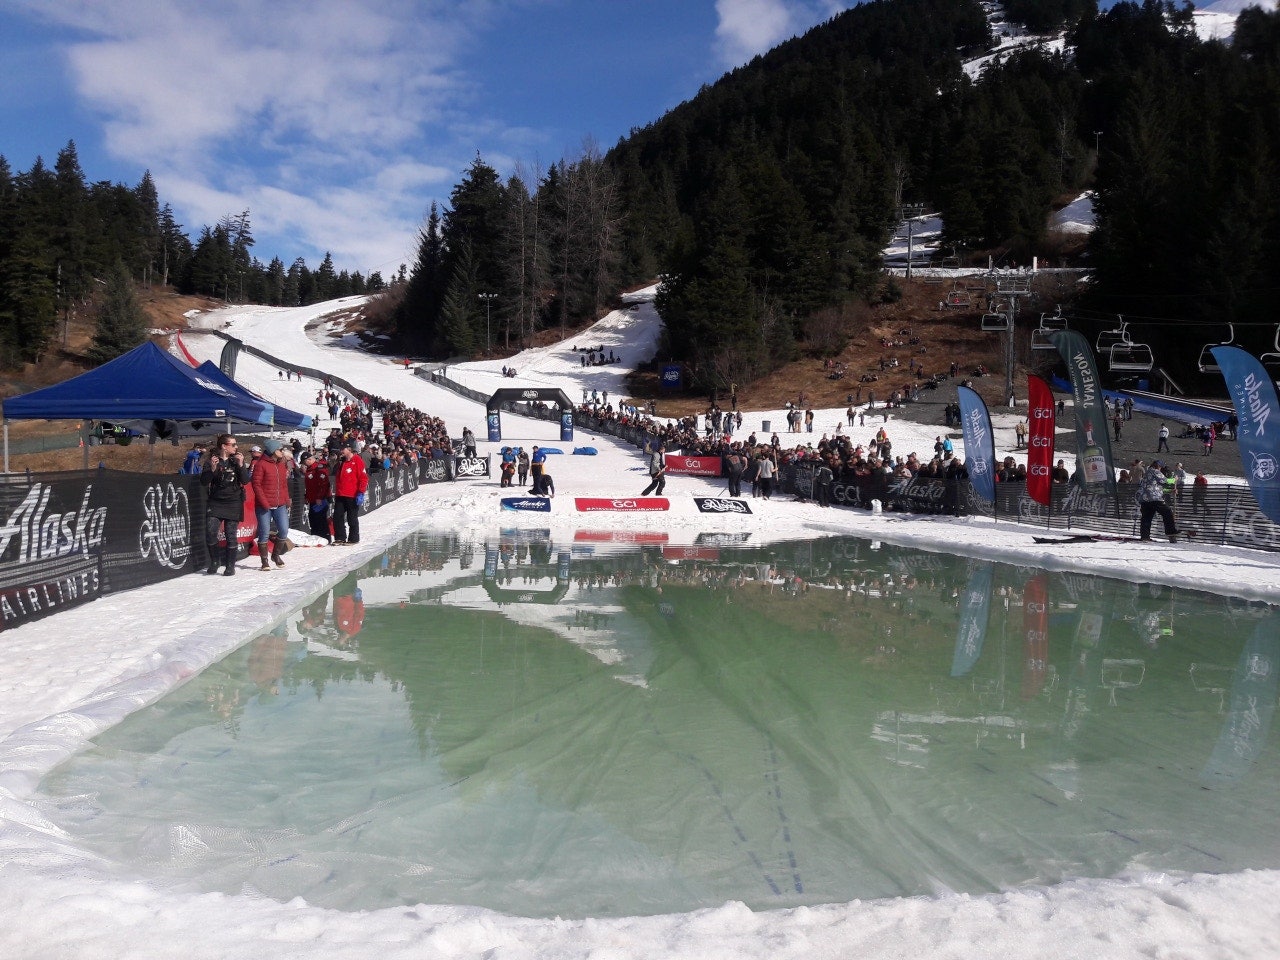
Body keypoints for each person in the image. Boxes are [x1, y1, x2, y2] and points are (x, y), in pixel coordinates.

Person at [200, 433, 249, 576]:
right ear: (224, 446)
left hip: (233, 502)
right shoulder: (212, 461)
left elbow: (245, 481)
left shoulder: (236, 461)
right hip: (216, 501)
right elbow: (204, 481)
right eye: (233, 445)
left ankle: (230, 566)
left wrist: (241, 465)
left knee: (231, 535)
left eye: (236, 444)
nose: (236, 447)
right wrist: (213, 470)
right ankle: (215, 561)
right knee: (211, 532)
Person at [251, 439, 294, 570]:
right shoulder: (261, 464)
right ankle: (264, 561)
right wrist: (264, 502)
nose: (282, 452)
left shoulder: (281, 465)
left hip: (280, 504)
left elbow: (284, 485)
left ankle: (275, 555)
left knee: (284, 530)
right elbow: (256, 485)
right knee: (264, 533)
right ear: (273, 451)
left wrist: (287, 499)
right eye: (280, 450)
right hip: (264, 505)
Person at [333, 442, 369, 545]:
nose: (341, 451)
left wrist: (361, 492)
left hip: (352, 495)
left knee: (352, 517)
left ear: (349, 449)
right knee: (337, 516)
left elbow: (363, 478)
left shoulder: (357, 460)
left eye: (343, 449)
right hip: (341, 494)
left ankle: (353, 538)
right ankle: (340, 537)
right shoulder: (342, 462)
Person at [1138, 461, 1178, 543]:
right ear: (1158, 466)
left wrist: (1170, 491)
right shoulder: (1155, 471)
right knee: (1167, 512)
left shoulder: (1147, 473)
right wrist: (1174, 480)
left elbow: (1156, 488)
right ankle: (1171, 531)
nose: (1160, 469)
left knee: (1146, 517)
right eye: (1160, 468)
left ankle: (1145, 536)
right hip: (1154, 498)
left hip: (1144, 499)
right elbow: (1165, 480)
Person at [303, 450, 333, 543]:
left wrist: (320, 497)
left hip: (320, 500)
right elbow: (309, 486)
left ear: (308, 460)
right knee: (313, 519)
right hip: (312, 499)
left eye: (304, 462)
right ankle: (316, 538)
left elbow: (324, 484)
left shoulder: (319, 468)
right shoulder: (309, 470)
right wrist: (307, 497)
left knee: (321, 520)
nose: (304, 464)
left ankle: (325, 538)